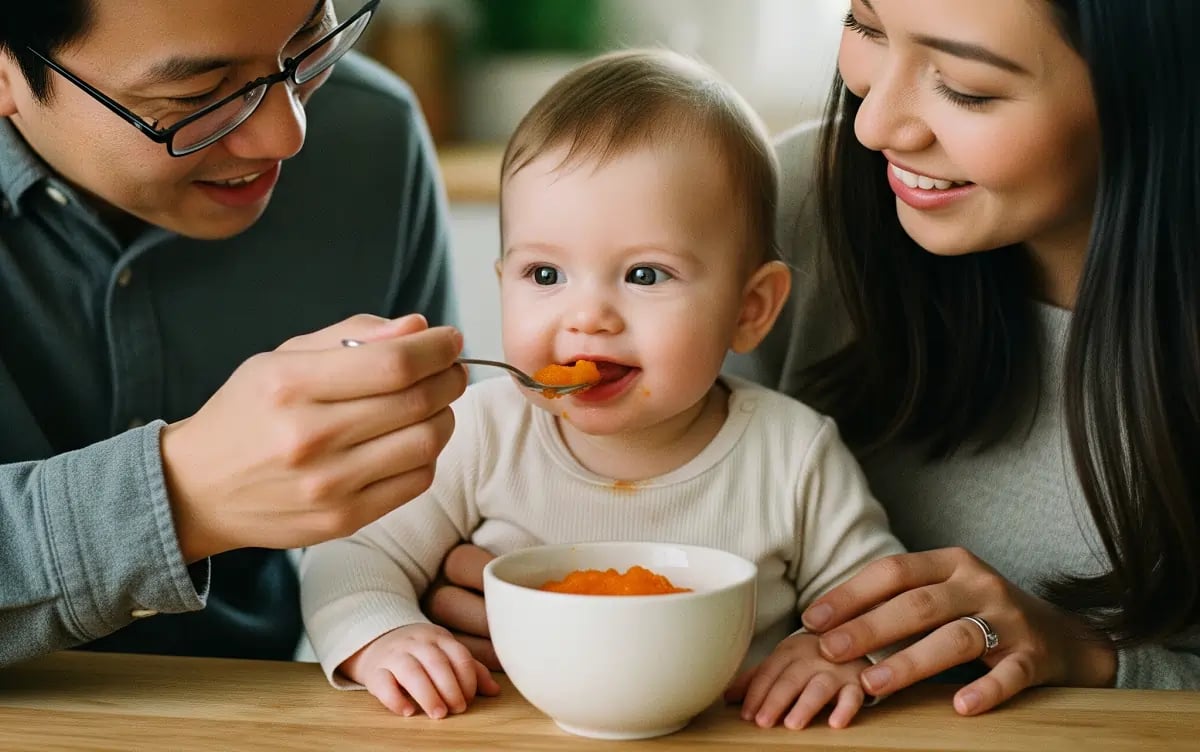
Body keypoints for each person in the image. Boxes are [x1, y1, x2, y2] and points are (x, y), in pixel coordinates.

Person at [424, 0, 1200, 718]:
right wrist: (421, 608)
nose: (873, 125)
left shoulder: (792, 427)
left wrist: (1088, 657)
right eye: (866, 26)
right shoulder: (797, 200)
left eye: (966, 87)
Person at [299, 49, 908, 731]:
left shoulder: (793, 454)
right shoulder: (476, 432)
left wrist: (840, 654)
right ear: (502, 282)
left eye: (645, 275)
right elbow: (352, 557)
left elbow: (878, 607)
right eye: (545, 275)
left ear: (750, 309)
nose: (586, 317)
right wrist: (386, 635)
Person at [0, 0, 468, 666]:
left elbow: (430, 508)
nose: (287, 135)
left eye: (308, 40)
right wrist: (179, 499)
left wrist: (441, 588)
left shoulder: (373, 134)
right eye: (196, 94)